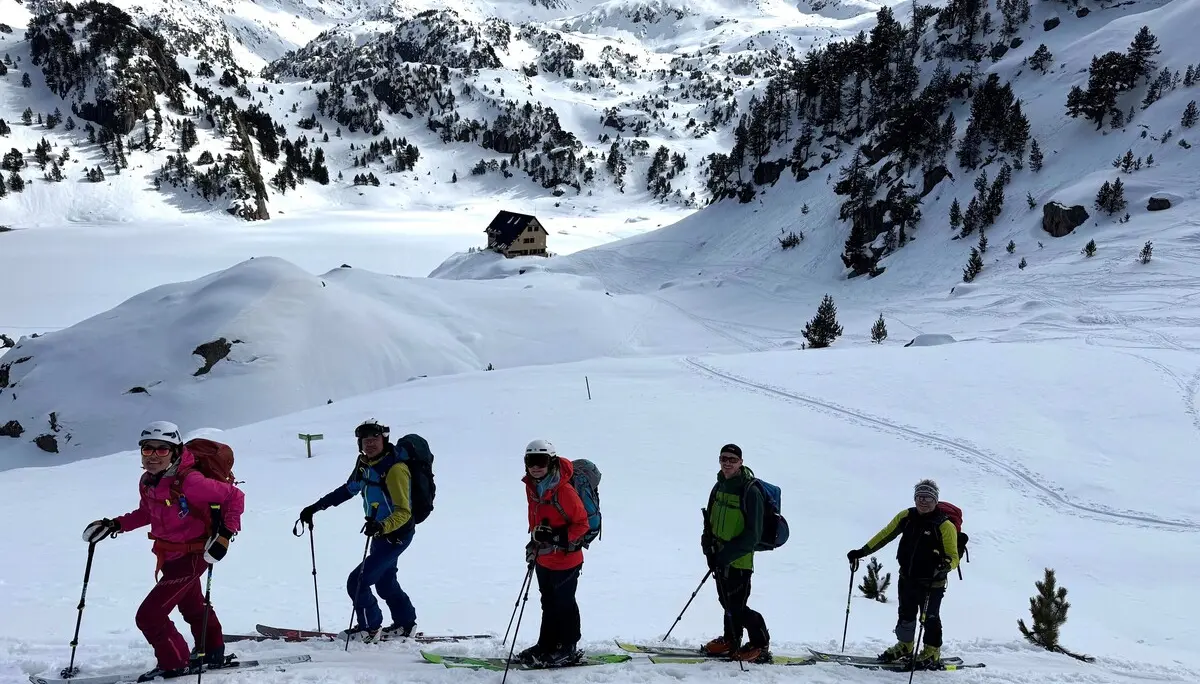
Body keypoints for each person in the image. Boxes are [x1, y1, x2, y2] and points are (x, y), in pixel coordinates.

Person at [81, 421, 244, 682]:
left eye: (162, 450)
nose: (153, 456)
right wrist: (115, 525)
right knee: (192, 606)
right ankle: (212, 650)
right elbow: (147, 512)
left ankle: (174, 663)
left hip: (193, 555)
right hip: (169, 554)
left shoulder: (191, 481)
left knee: (150, 616)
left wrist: (225, 534)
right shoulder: (148, 481)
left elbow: (235, 497)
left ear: (175, 451)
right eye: (148, 450)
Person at [298, 419, 418, 642]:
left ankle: (370, 629)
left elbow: (404, 512)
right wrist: (316, 507)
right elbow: (348, 490)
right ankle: (405, 623)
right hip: (381, 533)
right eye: (365, 440)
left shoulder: (395, 470)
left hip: (396, 534)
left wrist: (382, 526)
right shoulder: (365, 465)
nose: (370, 444)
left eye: (374, 439)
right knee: (384, 581)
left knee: (358, 581)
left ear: (384, 439)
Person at [846, 479, 960, 668]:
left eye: (928, 498)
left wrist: (945, 564)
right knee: (905, 614)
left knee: (929, 617)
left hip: (932, 581)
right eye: (919, 497)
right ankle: (905, 645)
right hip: (907, 577)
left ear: (935, 500)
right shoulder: (907, 516)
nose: (923, 501)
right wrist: (862, 552)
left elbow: (953, 556)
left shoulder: (944, 525)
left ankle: (932, 651)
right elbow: (885, 535)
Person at [517, 439, 590, 667]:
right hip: (544, 558)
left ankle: (567, 647)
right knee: (548, 602)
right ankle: (546, 644)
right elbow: (537, 520)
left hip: (567, 559)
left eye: (541, 461)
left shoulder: (564, 491)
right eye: (531, 461)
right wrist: (534, 542)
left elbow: (582, 525)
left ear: (552, 462)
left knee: (564, 603)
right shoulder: (533, 486)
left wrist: (556, 537)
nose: (536, 466)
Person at [700, 443, 771, 663]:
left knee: (736, 606)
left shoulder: (750, 491)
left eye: (732, 459)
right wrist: (707, 545)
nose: (727, 463)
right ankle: (731, 639)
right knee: (726, 601)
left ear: (741, 462)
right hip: (719, 557)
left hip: (739, 560)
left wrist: (725, 555)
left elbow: (753, 534)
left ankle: (760, 643)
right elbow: (709, 521)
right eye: (724, 458)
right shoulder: (718, 486)